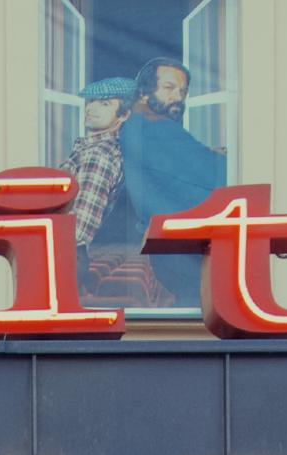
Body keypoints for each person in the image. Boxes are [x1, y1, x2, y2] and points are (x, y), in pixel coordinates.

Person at [118, 57, 227, 308]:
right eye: (169, 88)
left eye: (183, 90)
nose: (178, 96)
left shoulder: (136, 127)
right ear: (144, 93)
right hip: (184, 248)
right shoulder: (157, 129)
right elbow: (217, 176)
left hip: (170, 247)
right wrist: (228, 159)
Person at [63, 77, 132, 286]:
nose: (91, 108)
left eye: (105, 104)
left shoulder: (98, 155)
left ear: (124, 116)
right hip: (69, 257)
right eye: (91, 101)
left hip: (66, 257)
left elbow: (77, 231)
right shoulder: (89, 150)